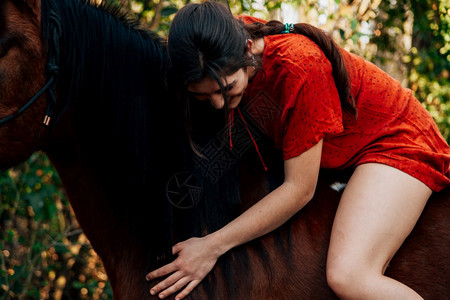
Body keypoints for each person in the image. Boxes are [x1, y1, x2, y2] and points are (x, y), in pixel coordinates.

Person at [145, 1, 450, 299]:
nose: (218, 104)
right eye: (203, 96)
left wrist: (212, 246)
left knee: (350, 275)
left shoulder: (300, 68)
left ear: (247, 50)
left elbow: (299, 190)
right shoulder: (215, 38)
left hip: (396, 141)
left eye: (226, 89)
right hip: (345, 149)